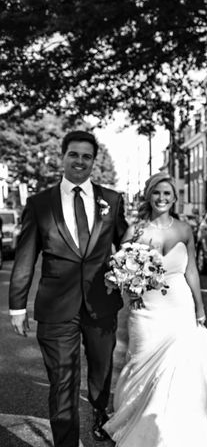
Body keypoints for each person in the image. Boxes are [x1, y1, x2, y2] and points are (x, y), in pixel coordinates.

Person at [9, 130, 129, 446]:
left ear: (93, 161)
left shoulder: (112, 200)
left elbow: (127, 245)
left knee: (101, 373)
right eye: (73, 154)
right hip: (56, 308)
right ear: (62, 157)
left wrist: (139, 271)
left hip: (101, 304)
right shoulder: (39, 204)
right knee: (63, 381)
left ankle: (100, 413)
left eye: (86, 156)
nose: (79, 161)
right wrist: (18, 306)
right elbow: (25, 256)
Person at [103, 172, 207, 447]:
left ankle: (178, 432)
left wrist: (199, 306)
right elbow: (120, 265)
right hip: (146, 310)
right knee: (140, 364)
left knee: (181, 369)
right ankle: (136, 423)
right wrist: (129, 287)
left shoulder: (184, 229)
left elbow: (192, 270)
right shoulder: (136, 230)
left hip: (180, 307)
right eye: (157, 193)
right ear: (149, 195)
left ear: (174, 198)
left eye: (167, 194)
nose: (162, 198)